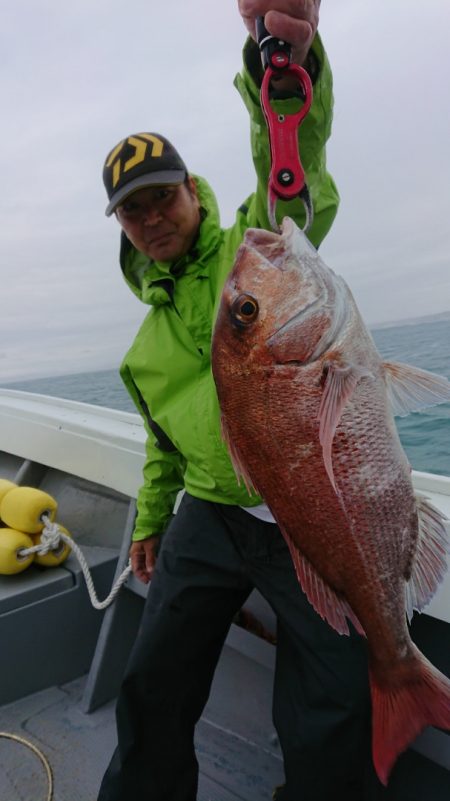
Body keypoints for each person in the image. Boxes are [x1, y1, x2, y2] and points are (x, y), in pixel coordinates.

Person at [97, 2, 374, 800]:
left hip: (295, 513)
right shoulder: (141, 350)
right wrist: (152, 520)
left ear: (191, 190)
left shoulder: (254, 253)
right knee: (151, 684)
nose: (152, 217)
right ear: (119, 223)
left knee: (329, 703)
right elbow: (165, 444)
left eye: (162, 196)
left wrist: (283, 68)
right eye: (133, 208)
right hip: (208, 514)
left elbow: (291, 171)